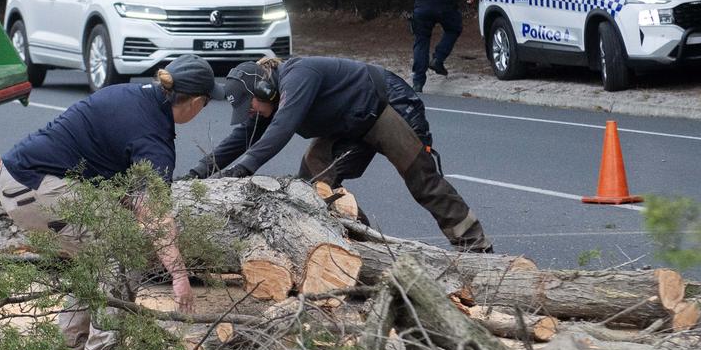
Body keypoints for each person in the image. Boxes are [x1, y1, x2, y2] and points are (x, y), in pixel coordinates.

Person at [0, 54, 218, 350]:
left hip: (18, 178)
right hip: (37, 188)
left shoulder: (128, 94)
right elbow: (154, 217)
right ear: (196, 101)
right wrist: (180, 277)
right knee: (123, 251)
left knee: (97, 256)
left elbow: (108, 169)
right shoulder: (153, 138)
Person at [184, 57, 492, 253]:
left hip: (385, 107)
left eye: (250, 107)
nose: (250, 115)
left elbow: (282, 128)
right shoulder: (270, 99)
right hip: (350, 125)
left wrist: (243, 169)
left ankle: (476, 247)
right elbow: (243, 137)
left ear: (264, 89)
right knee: (311, 186)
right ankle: (363, 248)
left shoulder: (298, 76)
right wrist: (200, 170)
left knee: (422, 181)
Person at [389, 0, 475, 90]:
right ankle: (438, 59)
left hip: (422, 8)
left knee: (421, 40)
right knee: (454, 28)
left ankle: (418, 82)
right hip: (445, 6)